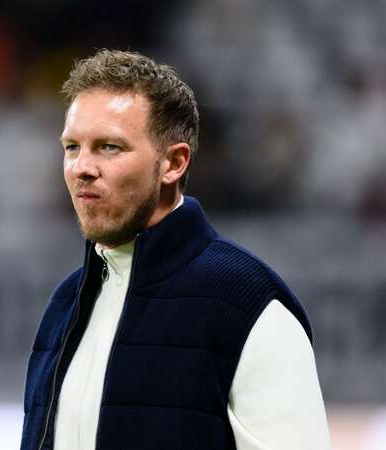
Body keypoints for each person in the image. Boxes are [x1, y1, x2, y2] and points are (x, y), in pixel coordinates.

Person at [21, 49, 330, 450]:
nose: (82, 167)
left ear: (174, 163)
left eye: (109, 147)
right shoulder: (66, 304)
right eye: (72, 147)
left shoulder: (249, 304)